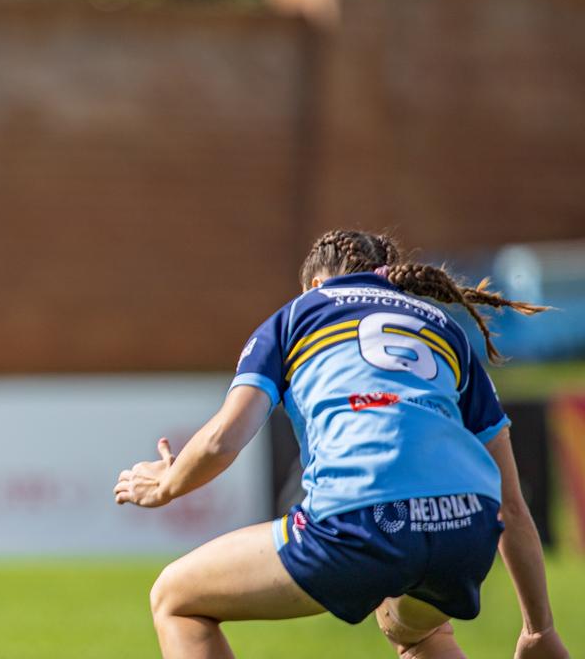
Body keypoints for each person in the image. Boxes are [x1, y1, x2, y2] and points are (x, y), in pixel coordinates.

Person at [113, 229, 569, 659]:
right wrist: (539, 630)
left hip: (364, 521)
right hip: (465, 532)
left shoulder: (298, 314)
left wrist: (166, 485)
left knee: (174, 598)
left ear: (314, 282)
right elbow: (511, 505)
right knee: (419, 629)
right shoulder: (445, 332)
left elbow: (222, 440)